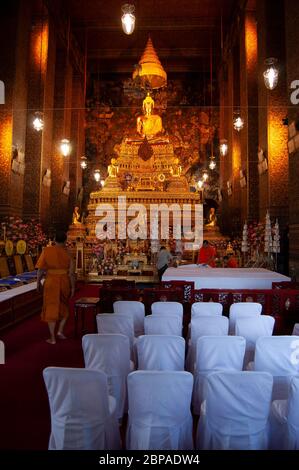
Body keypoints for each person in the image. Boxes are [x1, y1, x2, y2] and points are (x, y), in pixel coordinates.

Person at [36, 231, 75, 344]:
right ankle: (60, 331)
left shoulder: (47, 251)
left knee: (51, 307)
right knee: (64, 306)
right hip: (64, 281)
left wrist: (38, 282)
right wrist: (72, 287)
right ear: (65, 240)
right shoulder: (68, 253)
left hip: (51, 282)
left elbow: (41, 270)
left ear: (54, 239)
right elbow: (71, 273)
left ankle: (52, 338)